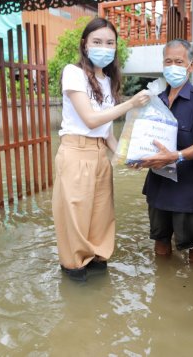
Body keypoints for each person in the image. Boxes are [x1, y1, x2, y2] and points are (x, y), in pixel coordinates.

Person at [51, 17, 150, 282]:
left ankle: (97, 263)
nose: (103, 47)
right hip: (75, 152)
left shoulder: (107, 81)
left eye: (109, 43)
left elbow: (105, 132)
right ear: (84, 44)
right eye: (97, 41)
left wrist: (124, 155)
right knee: (76, 218)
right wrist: (130, 104)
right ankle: (73, 270)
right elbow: (91, 119)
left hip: (98, 155)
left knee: (101, 216)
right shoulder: (73, 73)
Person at [138, 39, 193, 264]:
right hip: (159, 186)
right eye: (168, 61)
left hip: (189, 188)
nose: (173, 66)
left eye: (179, 61)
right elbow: (143, 139)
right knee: (160, 241)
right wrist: (136, 157)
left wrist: (176, 155)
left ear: (190, 66)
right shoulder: (156, 101)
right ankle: (163, 290)